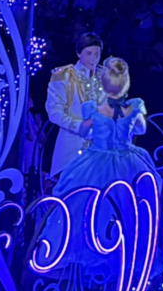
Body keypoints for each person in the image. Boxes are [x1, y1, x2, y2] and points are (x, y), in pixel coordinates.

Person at [51, 57, 154, 195]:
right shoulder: (135, 107)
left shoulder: (93, 109)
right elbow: (141, 130)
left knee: (88, 194)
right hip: (128, 159)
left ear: (103, 84)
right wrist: (126, 128)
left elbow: (83, 132)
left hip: (98, 159)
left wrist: (100, 130)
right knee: (132, 196)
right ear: (126, 83)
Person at [44, 31, 106, 181]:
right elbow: (54, 112)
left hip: (100, 147)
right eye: (89, 53)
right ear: (79, 53)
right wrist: (80, 127)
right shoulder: (63, 76)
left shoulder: (104, 75)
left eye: (97, 53)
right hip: (72, 145)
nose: (94, 58)